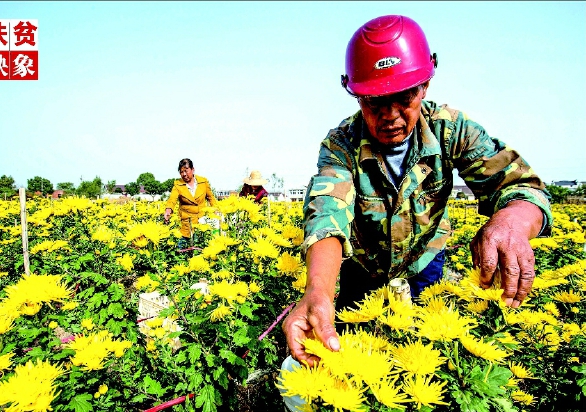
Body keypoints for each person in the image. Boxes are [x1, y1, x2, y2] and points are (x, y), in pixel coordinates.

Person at [280, 13, 552, 396]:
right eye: (374, 102)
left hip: (425, 262)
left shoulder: (451, 130)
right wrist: (319, 290)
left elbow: (521, 186)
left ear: (425, 84)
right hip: (362, 268)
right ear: (355, 94)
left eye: (403, 97)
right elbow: (327, 210)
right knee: (355, 365)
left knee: (425, 362)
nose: (389, 115)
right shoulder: (341, 142)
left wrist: (511, 220)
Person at [164, 158, 218, 248]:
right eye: (181, 172)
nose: (184, 174)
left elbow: (211, 198)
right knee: (182, 252)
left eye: (186, 170)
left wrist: (216, 210)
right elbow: (172, 200)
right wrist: (168, 210)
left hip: (202, 224)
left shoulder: (203, 182)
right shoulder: (178, 184)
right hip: (186, 225)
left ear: (193, 170)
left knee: (201, 250)